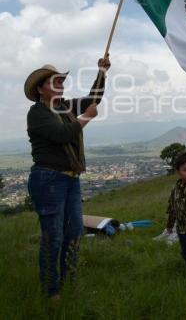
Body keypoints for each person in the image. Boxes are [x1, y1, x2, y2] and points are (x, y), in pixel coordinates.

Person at [25, 56, 110, 301]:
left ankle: (68, 281)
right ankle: (52, 291)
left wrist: (101, 73)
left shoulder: (65, 108)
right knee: (53, 238)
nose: (60, 83)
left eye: (61, 80)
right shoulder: (37, 113)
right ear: (40, 88)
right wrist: (87, 118)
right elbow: (62, 134)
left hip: (70, 180)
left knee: (74, 234)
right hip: (48, 180)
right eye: (54, 81)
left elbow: (93, 100)